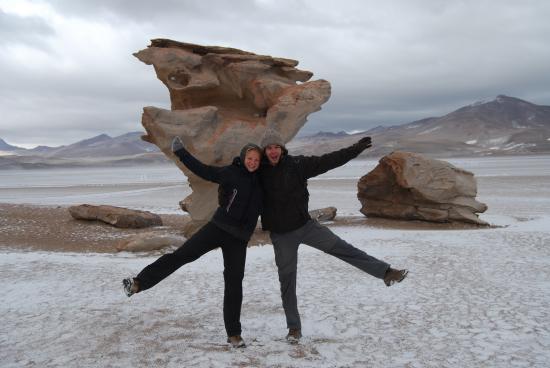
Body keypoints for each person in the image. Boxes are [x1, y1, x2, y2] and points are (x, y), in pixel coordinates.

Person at [259, 129, 408, 342]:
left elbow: (329, 160)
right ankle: (294, 328)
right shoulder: (258, 173)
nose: (273, 151)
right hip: (282, 236)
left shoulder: (298, 165)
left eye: (276, 147)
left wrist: (354, 149)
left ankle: (385, 273)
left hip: (306, 226)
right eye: (269, 148)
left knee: (343, 248)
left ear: (282, 149)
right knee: (287, 281)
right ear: (264, 151)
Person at [122, 137, 263, 348]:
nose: (253, 162)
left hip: (239, 239)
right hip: (217, 229)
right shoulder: (230, 173)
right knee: (182, 256)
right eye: (250, 158)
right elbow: (204, 170)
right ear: (243, 158)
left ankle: (234, 334)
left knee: (234, 284)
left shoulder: (263, 181)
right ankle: (138, 283)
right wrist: (182, 152)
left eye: (256, 160)